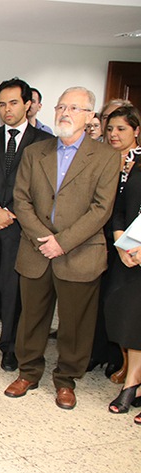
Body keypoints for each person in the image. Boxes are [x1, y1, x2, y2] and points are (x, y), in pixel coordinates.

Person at [5, 86, 121, 410]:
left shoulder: (106, 157)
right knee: (31, 318)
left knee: (75, 324)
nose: (65, 113)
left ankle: (66, 380)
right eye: (61, 107)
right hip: (36, 250)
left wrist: (62, 242)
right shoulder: (34, 152)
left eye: (73, 108)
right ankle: (28, 373)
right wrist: (44, 239)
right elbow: (21, 200)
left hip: (80, 253)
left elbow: (101, 209)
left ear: (89, 116)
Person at [0, 78, 54, 369]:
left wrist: (11, 213)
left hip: (20, 230)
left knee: (12, 291)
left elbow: (41, 187)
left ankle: (10, 347)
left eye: (13, 103)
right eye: (2, 104)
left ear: (27, 104)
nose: (7, 109)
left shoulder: (43, 142)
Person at [103, 106, 141, 422]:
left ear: (136, 131)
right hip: (127, 250)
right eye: (111, 128)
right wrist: (121, 244)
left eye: (122, 129)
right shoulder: (112, 160)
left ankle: (132, 385)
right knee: (129, 316)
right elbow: (119, 208)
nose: (114, 134)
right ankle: (133, 382)